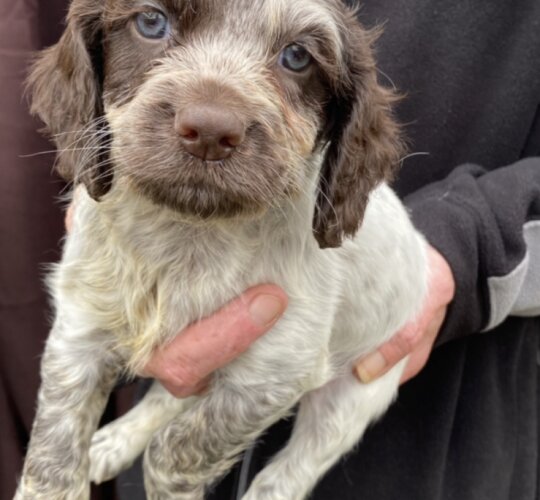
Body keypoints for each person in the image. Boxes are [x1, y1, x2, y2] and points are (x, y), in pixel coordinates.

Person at [1, 1, 539, 500]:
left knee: (292, 450)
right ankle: (143, 429)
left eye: (296, 59)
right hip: (169, 375)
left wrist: (466, 253)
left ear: (341, 120)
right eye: (153, 22)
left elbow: (289, 367)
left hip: (432, 436)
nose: (211, 118)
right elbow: (78, 346)